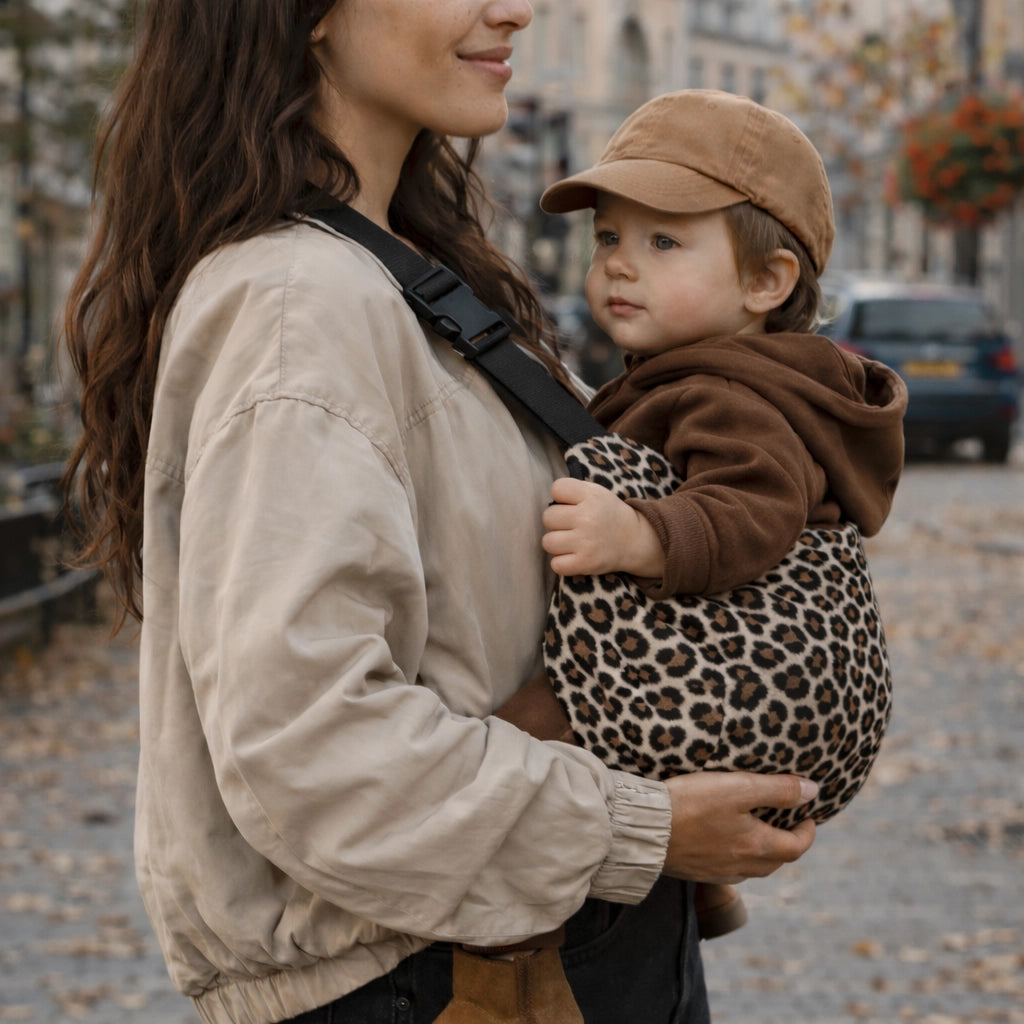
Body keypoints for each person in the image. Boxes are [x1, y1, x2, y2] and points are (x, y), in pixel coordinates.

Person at [60, 9, 820, 1024]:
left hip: (523, 951)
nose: (513, 5)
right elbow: (309, 748)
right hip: (445, 979)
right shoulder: (303, 302)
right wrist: (639, 829)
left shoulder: (396, 272)